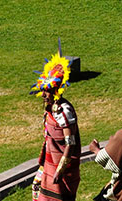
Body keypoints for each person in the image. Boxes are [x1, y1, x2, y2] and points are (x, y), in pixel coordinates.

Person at [30, 52, 80, 201]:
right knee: (37, 187)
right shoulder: (50, 108)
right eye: (43, 90)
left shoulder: (64, 112)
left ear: (56, 91)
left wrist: (60, 170)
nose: (44, 94)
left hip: (62, 165)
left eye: (48, 91)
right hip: (48, 160)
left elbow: (70, 143)